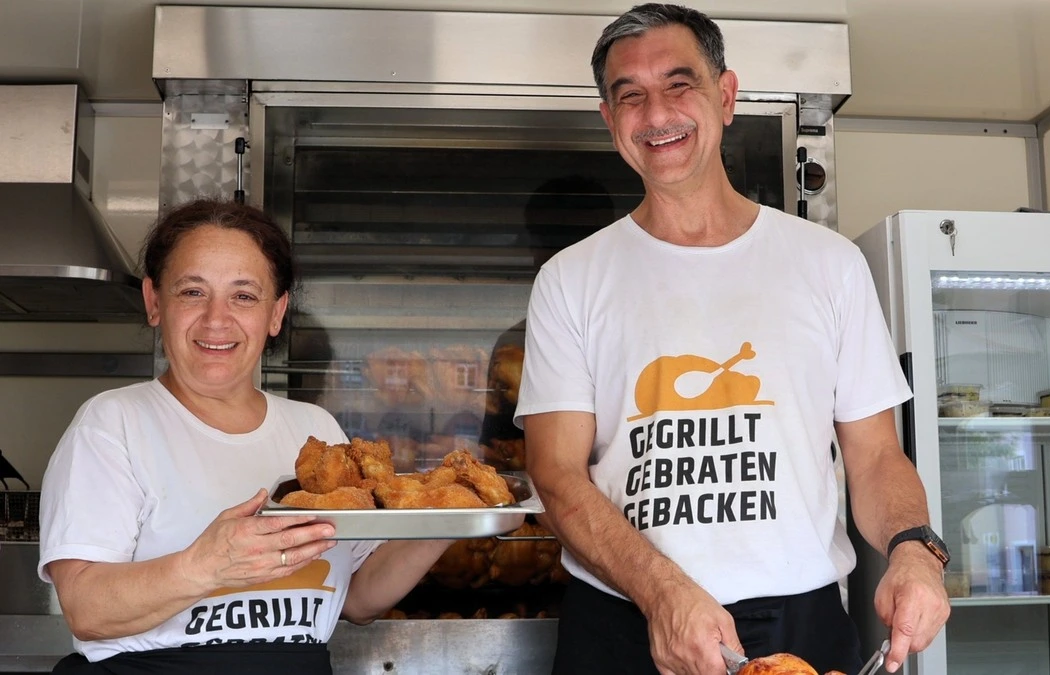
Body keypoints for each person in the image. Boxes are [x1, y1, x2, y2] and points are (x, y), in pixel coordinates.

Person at [514, 5, 951, 675]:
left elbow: (874, 456)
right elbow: (556, 473)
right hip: (625, 618)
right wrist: (660, 590)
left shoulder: (827, 264)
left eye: (678, 84)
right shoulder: (571, 280)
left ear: (725, 96)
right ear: (610, 121)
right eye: (629, 95)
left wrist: (915, 550)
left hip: (799, 621)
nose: (656, 112)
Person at [37, 199, 453, 674]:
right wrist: (208, 563)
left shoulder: (313, 431)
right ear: (155, 302)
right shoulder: (113, 424)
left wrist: (447, 516)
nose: (217, 319)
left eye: (244, 296)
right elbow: (87, 610)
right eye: (192, 292)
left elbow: (358, 600)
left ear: (276, 314)